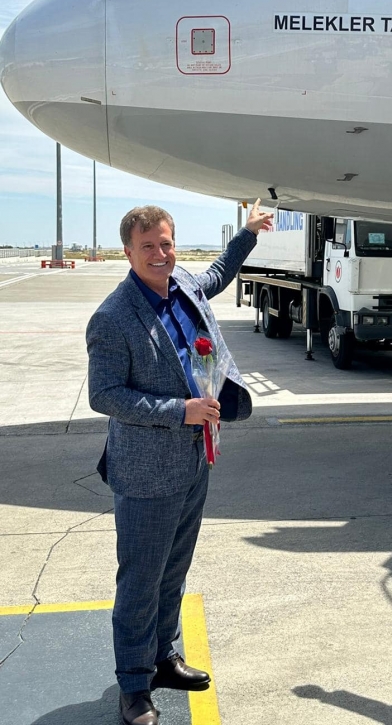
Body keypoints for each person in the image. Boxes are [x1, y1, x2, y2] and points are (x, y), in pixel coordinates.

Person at [87, 200, 273, 725]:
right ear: (127, 252)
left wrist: (247, 234)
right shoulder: (113, 317)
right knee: (140, 580)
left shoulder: (183, 284)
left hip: (195, 460)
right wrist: (180, 411)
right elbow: (104, 395)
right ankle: (133, 686)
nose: (160, 254)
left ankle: (163, 656)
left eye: (166, 243)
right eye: (148, 246)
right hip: (146, 471)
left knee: (174, 570)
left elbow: (216, 273)